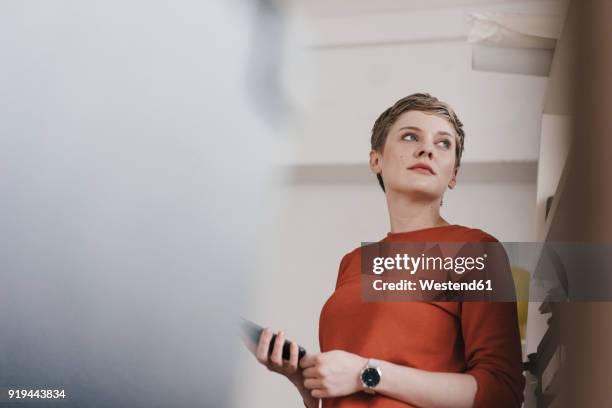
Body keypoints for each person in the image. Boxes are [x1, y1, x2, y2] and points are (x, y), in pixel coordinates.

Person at [252, 93, 526, 407]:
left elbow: (501, 393)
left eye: (443, 143)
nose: (426, 149)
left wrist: (366, 373)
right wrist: (307, 384)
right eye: (411, 136)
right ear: (376, 159)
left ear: (453, 175)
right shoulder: (354, 263)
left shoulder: (476, 251)